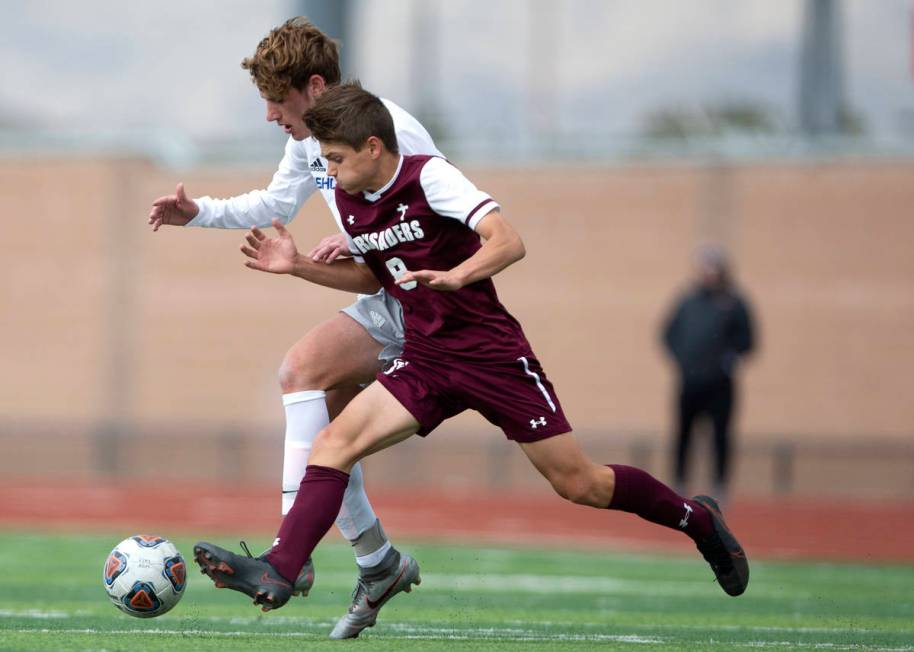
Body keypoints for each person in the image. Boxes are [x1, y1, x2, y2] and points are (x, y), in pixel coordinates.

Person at [192, 83, 751, 622]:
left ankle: (696, 518)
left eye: (336, 159)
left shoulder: (431, 176)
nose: (329, 174)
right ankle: (281, 568)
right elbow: (370, 278)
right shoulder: (352, 199)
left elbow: (509, 240)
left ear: (373, 147)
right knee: (333, 443)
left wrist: (457, 277)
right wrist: (298, 266)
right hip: (428, 359)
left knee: (580, 483)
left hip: (490, 355)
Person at [146, 18, 443, 639]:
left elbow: (438, 212)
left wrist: (363, 238)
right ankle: (374, 562)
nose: (270, 117)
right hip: (388, 294)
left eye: (277, 104)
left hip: (434, 304)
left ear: (313, 86)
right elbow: (276, 204)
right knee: (316, 396)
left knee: (575, 479)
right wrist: (198, 212)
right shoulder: (312, 142)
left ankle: (294, 555)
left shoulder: (389, 130)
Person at [661, 245, 756, 502]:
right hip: (690, 382)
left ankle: (719, 486)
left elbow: (748, 341)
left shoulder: (734, 302)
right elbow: (667, 334)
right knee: (683, 434)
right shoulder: (687, 301)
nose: (709, 272)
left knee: (721, 436)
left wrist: (726, 360)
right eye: (705, 266)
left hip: (720, 384)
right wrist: (682, 360)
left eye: (713, 266)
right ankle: (680, 483)